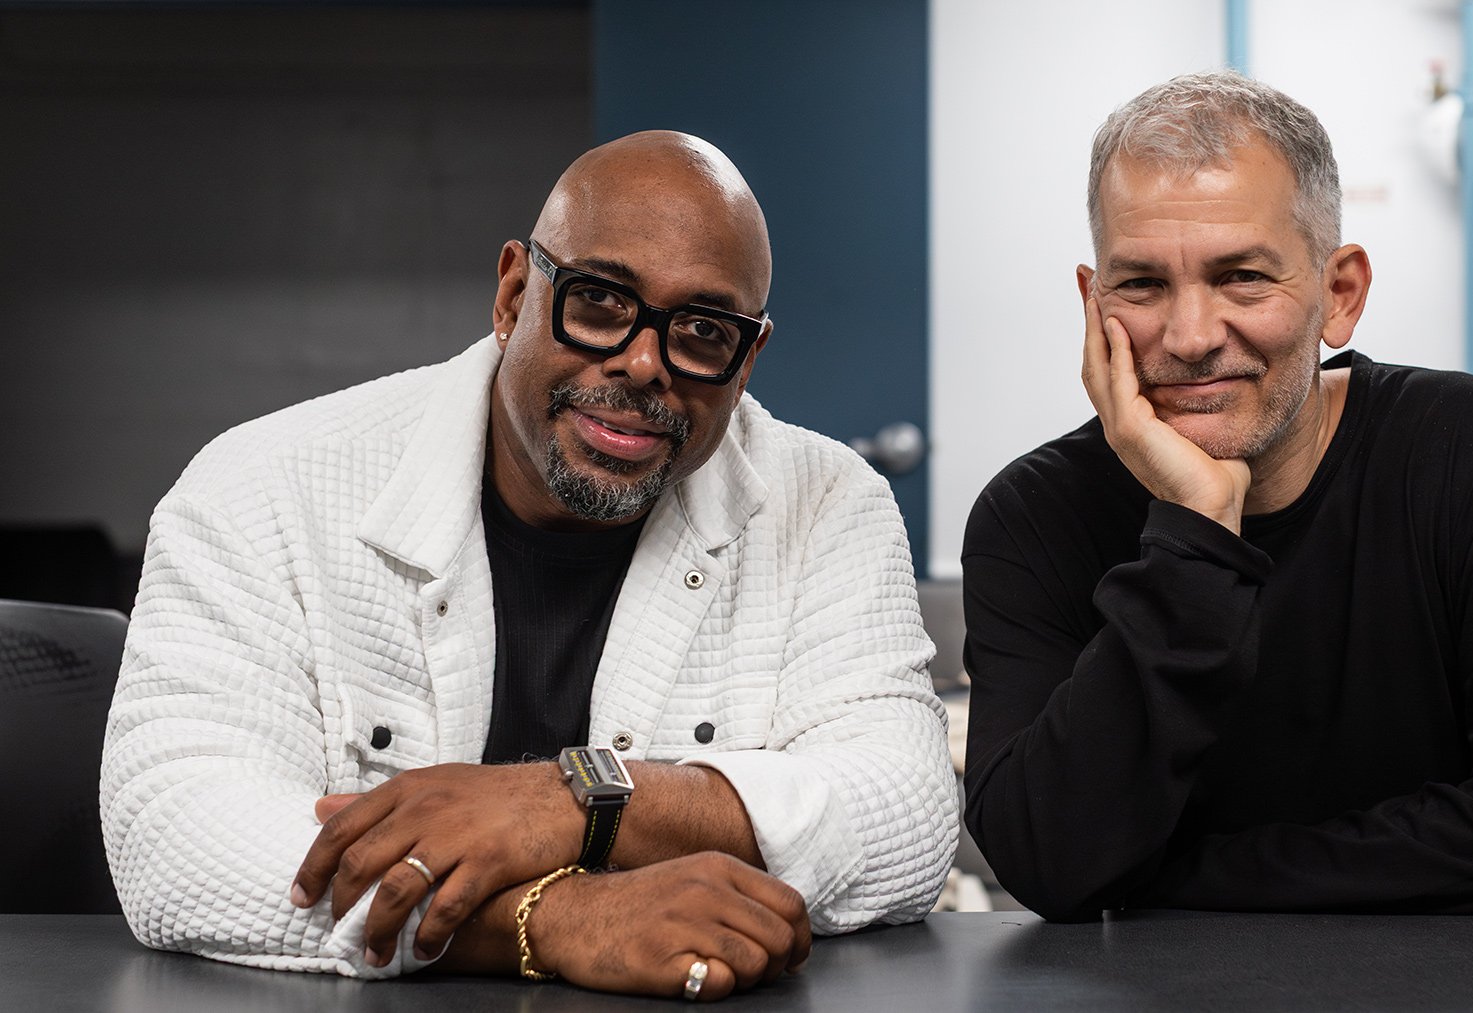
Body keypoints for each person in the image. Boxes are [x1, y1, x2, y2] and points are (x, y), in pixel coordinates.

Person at [100, 131, 957, 999]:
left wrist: (575, 803)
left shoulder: (826, 501)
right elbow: (175, 829)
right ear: (513, 294)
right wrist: (555, 919)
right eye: (600, 301)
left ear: (748, 359)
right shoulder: (263, 486)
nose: (644, 362)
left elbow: (907, 813)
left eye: (703, 330)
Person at [960, 72, 1473, 922]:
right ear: (1093, 302)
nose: (1192, 336)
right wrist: (1194, 533)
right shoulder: (1031, 517)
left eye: (1243, 276)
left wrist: (1172, 878)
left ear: (1340, 294)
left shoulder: (1465, 450)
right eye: (1141, 285)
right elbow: (1047, 857)